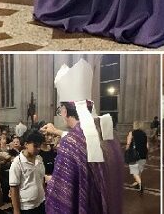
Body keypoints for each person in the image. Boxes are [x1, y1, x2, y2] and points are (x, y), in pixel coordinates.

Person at [43, 60, 123, 213]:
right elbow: (86, 144)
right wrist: (59, 132)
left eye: (60, 111)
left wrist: (51, 181)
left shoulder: (70, 143)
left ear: (65, 111)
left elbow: (62, 197)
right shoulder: (108, 134)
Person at [9, 130, 46, 214]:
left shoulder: (39, 159)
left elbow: (42, 179)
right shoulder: (17, 163)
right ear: (26, 144)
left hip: (41, 202)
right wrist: (16, 210)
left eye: (39, 146)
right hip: (27, 207)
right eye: (35, 146)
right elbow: (14, 188)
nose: (38, 148)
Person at [126, 121, 148, 192]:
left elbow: (128, 143)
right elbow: (147, 145)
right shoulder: (144, 134)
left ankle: (140, 184)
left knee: (134, 171)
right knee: (139, 170)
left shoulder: (131, 133)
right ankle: (137, 183)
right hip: (143, 154)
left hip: (134, 154)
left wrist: (126, 150)